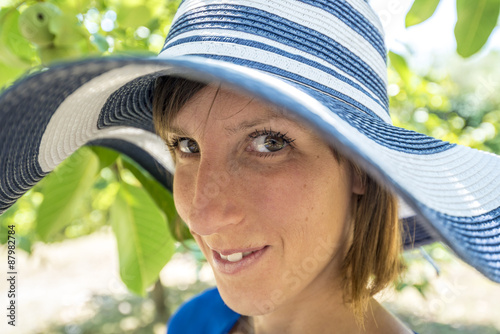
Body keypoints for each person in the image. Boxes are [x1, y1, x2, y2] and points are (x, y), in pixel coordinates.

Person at [0, 0, 499, 333]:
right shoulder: (195, 321)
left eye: (269, 142)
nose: (202, 212)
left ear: (362, 169)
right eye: (186, 145)